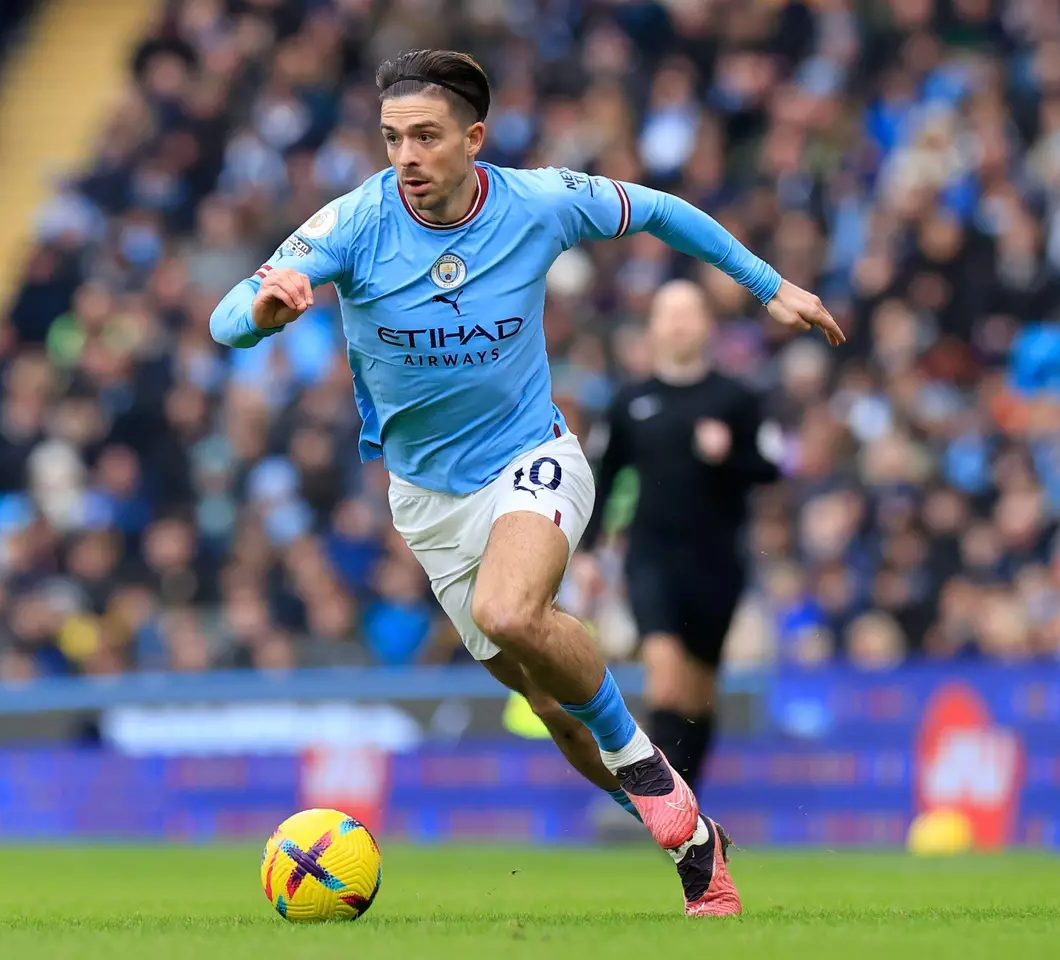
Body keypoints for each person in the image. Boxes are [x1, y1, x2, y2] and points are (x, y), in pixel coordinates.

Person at [209, 49, 843, 917]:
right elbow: (226, 318)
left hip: (531, 458)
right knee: (552, 707)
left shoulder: (540, 202)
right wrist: (264, 311)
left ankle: (659, 785)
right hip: (427, 503)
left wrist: (769, 286)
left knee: (514, 610)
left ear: (474, 138)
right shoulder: (352, 224)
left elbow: (657, 210)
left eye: (426, 137)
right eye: (393, 138)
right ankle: (695, 839)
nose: (406, 156)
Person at [578, 279, 781, 795]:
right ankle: (659, 807)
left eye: (689, 312)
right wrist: (587, 549)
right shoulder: (632, 400)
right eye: (668, 313)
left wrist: (728, 455)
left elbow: (769, 468)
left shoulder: (736, 397)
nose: (678, 323)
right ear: (653, 327)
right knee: (664, 679)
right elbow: (606, 475)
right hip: (652, 556)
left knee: (697, 694)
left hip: (717, 563)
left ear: (707, 324)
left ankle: (688, 804)